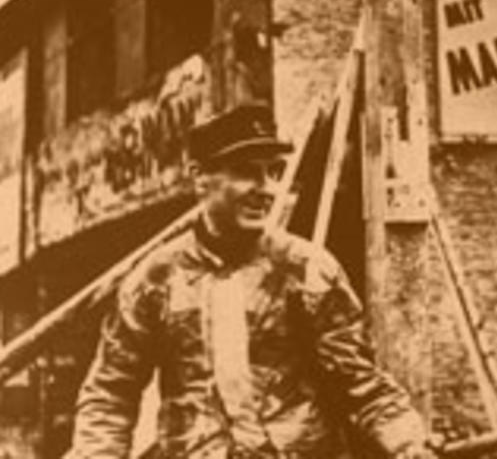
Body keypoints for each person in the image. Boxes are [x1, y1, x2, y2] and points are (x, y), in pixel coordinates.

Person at [67, 103, 433, 459]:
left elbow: (361, 383)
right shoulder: (155, 279)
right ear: (199, 177)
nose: (266, 188)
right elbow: (110, 394)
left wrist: (407, 443)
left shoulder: (307, 270)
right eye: (246, 172)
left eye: (273, 172)